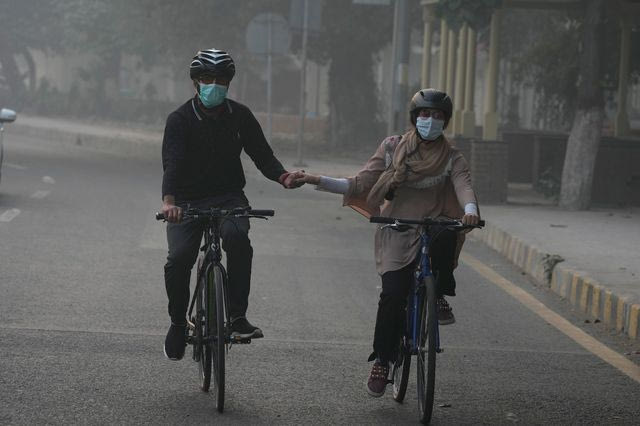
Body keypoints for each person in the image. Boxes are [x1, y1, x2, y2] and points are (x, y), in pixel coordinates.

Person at [295, 89, 479, 397]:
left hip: (432, 226)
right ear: (413, 117)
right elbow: (361, 183)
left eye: (437, 116)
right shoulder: (393, 148)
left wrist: (471, 210)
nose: (430, 121)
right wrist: (315, 179)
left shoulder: (452, 156)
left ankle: (438, 294)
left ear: (445, 121)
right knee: (393, 296)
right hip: (396, 230)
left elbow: (464, 185)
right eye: (424, 114)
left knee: (448, 232)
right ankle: (382, 359)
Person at [161, 48, 304, 361]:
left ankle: (237, 317)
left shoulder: (240, 116)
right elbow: (171, 164)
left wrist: (283, 177)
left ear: (229, 83)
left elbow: (262, 155)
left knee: (238, 239)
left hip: (229, 196)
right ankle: (176, 323)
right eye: (207, 78)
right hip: (186, 200)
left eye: (221, 79)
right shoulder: (180, 120)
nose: (214, 84)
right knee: (179, 258)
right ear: (196, 83)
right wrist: (169, 203)